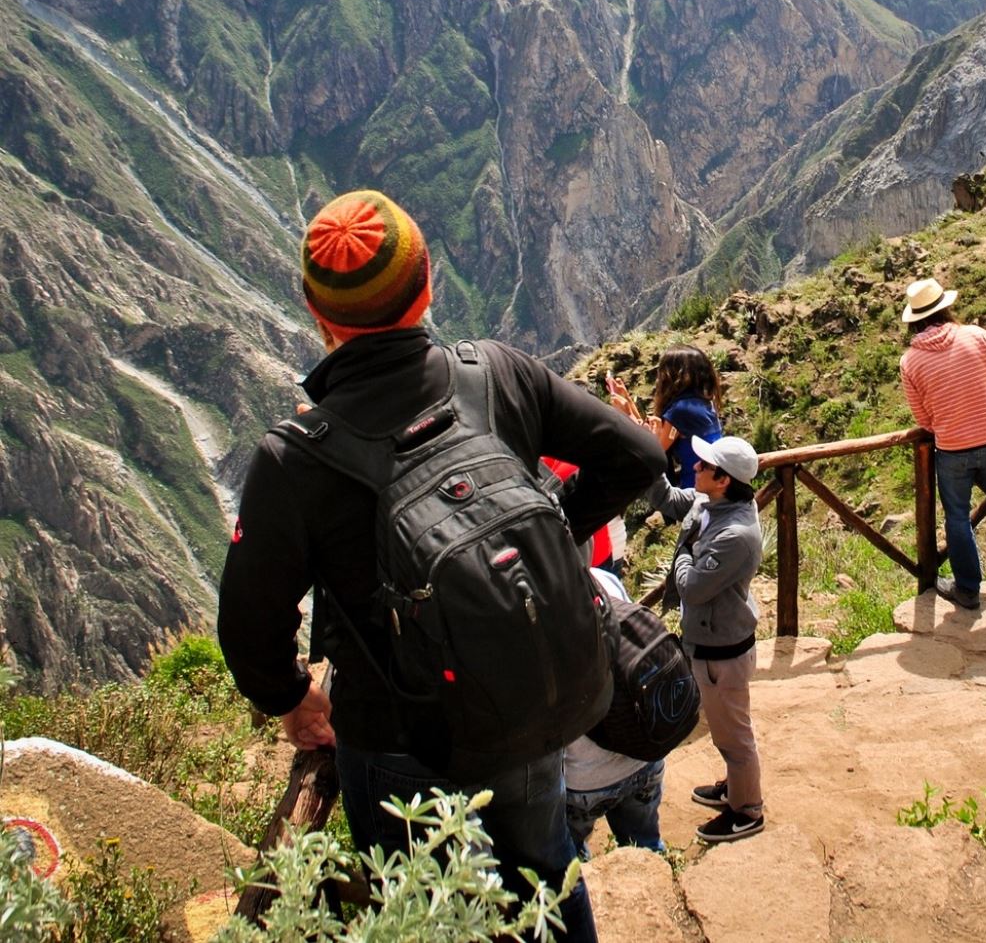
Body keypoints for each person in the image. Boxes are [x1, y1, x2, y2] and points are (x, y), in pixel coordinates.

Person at [218, 190, 665, 943]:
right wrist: (552, 527)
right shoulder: (496, 373)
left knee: (427, 913)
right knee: (545, 878)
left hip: (393, 737)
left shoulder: (293, 458)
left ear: (316, 311)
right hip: (521, 705)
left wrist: (294, 699)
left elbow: (248, 627)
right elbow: (638, 454)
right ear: (428, 284)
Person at [645, 433, 767, 843]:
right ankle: (735, 788)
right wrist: (650, 451)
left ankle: (747, 811)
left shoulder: (736, 535)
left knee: (735, 736)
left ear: (724, 480)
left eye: (703, 466)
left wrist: (680, 556)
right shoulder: (711, 502)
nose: (693, 467)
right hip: (710, 641)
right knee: (724, 730)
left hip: (723, 652)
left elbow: (694, 587)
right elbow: (668, 499)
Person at [899, 277, 986, 610]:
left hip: (953, 449)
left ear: (915, 320)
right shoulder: (978, 336)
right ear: (946, 308)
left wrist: (952, 425)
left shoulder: (910, 361)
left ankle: (968, 589)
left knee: (958, 517)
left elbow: (923, 419)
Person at [564, 568, 666, 855]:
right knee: (646, 846)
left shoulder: (530, 609)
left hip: (582, 777)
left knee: (574, 867)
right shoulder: (603, 579)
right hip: (643, 756)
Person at [606, 345, 723, 490]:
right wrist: (627, 400)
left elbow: (651, 449)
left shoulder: (680, 412)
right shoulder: (704, 403)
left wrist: (625, 412)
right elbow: (651, 433)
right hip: (712, 485)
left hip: (694, 492)